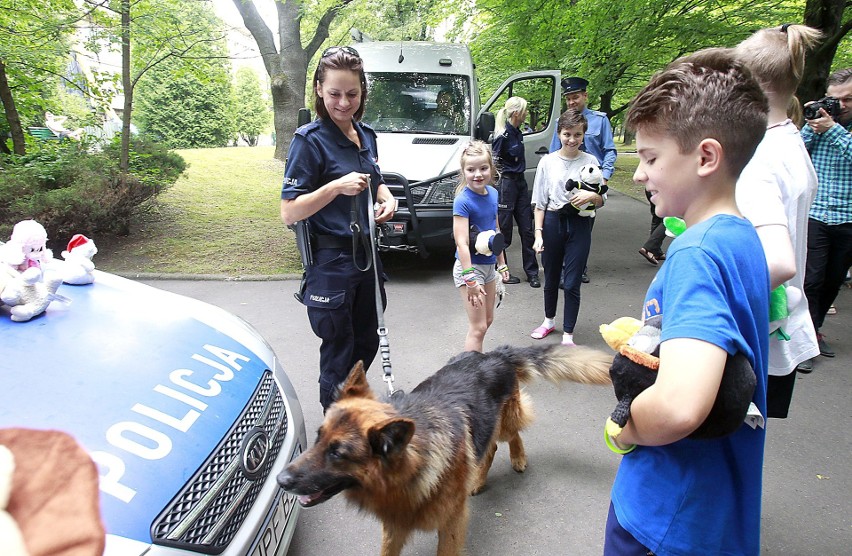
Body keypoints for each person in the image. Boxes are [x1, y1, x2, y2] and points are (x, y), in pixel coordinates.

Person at [603, 49, 770, 556]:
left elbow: (679, 405)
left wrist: (623, 428)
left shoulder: (695, 252)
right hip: (714, 513)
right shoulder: (741, 237)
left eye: (651, 158)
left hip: (665, 518)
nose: (638, 174)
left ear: (705, 157)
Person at [280, 45, 398, 411]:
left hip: (368, 258)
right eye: (334, 94)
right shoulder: (309, 141)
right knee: (339, 351)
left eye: (352, 94)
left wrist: (387, 197)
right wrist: (335, 187)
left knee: (367, 344)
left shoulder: (366, 135)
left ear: (362, 92)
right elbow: (289, 212)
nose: (344, 103)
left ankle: (354, 417)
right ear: (318, 89)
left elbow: (376, 179)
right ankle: (333, 439)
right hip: (331, 263)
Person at [733, 25, 822, 406]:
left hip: (752, 337)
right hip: (781, 328)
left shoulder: (760, 158)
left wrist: (707, 301)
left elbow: (778, 263)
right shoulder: (791, 140)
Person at [530, 109, 603, 346]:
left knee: (571, 281)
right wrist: (538, 234)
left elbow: (602, 199)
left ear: (584, 135)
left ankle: (568, 334)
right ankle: (548, 321)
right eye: (567, 134)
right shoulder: (547, 162)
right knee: (550, 277)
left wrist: (591, 196)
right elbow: (539, 204)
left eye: (578, 135)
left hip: (580, 224)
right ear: (559, 133)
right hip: (552, 222)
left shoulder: (591, 162)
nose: (572, 139)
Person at [800, 67, 852, 365]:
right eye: (835, 99)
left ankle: (815, 330)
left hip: (847, 217)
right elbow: (794, 155)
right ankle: (804, 341)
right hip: (816, 214)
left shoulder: (836, 129)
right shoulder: (816, 124)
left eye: (848, 100)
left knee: (833, 280)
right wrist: (811, 125)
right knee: (812, 279)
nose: (840, 105)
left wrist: (833, 130)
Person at [548, 77, 617, 283]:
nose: (571, 101)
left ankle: (579, 267)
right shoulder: (561, 122)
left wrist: (604, 178)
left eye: (575, 97)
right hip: (566, 183)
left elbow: (610, 151)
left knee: (585, 225)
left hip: (591, 184)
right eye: (568, 98)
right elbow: (554, 152)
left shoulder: (600, 120)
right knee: (562, 225)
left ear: (585, 96)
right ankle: (562, 269)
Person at [452, 140, 510, 352]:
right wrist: (470, 278)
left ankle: (473, 368)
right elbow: (461, 242)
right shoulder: (463, 201)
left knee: (487, 320)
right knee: (478, 328)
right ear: (463, 171)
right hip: (470, 268)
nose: (478, 174)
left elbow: (496, 231)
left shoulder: (493, 194)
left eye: (483, 168)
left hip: (489, 267)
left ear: (491, 169)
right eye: (471, 169)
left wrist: (502, 264)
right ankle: (471, 377)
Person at [492, 96, 539, 287]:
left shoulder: (518, 133)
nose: (527, 114)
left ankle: (532, 273)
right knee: (504, 231)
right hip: (507, 185)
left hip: (520, 185)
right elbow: (493, 163)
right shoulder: (502, 136)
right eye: (525, 110)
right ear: (517, 113)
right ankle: (501, 271)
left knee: (527, 230)